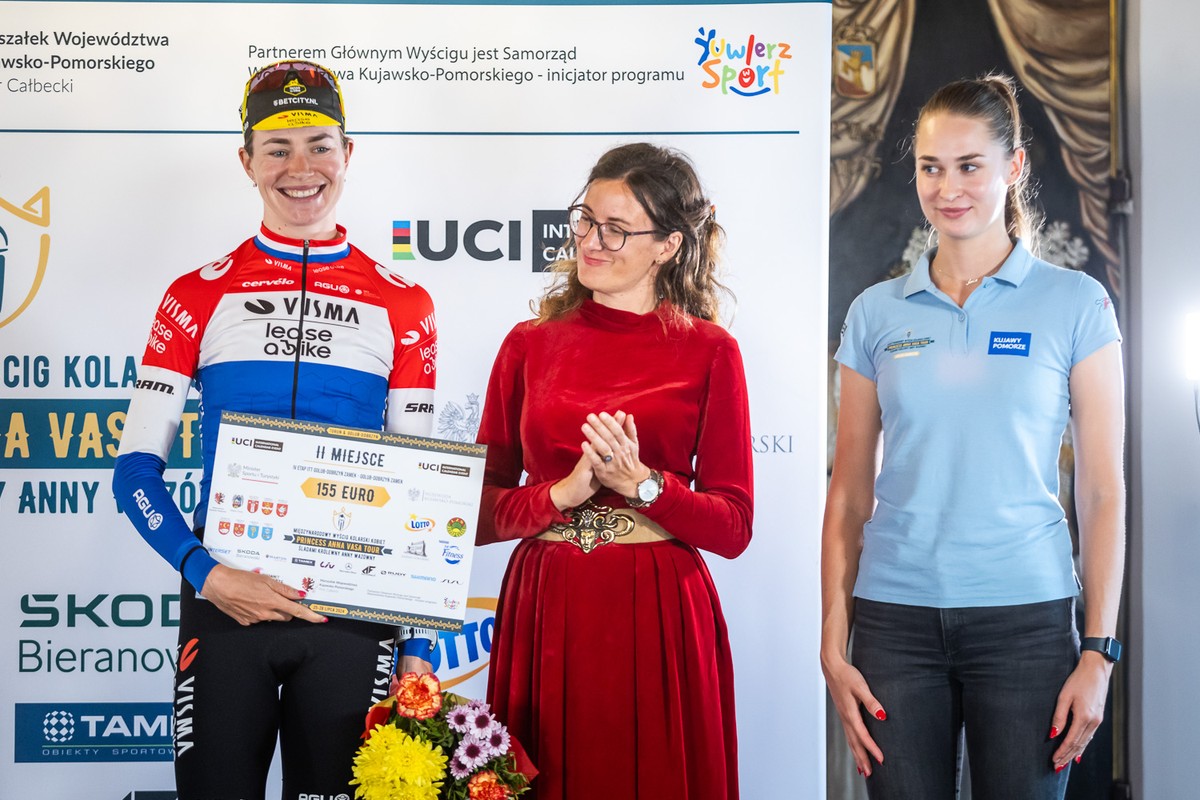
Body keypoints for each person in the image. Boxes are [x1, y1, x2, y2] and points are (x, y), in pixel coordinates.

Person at [113, 60, 437, 799]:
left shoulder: (405, 304)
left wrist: (416, 646)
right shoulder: (196, 295)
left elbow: (419, 486)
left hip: (352, 612)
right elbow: (134, 472)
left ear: (347, 154)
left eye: (320, 146)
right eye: (278, 149)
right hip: (225, 600)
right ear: (246, 161)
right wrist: (207, 573)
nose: (301, 169)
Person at [821, 74, 1126, 800]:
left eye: (969, 166)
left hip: (1028, 622)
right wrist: (834, 642)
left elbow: (1102, 490)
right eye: (931, 167)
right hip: (894, 624)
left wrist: (1098, 652)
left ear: (1013, 166)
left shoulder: (1077, 304)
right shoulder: (875, 313)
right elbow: (849, 492)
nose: (947, 188)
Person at [475, 142, 753, 800]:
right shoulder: (528, 344)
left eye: (616, 229)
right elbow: (473, 513)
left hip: (659, 609)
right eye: (586, 221)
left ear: (668, 246)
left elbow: (734, 527)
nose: (591, 242)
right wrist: (559, 494)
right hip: (547, 605)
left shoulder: (711, 351)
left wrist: (644, 486)